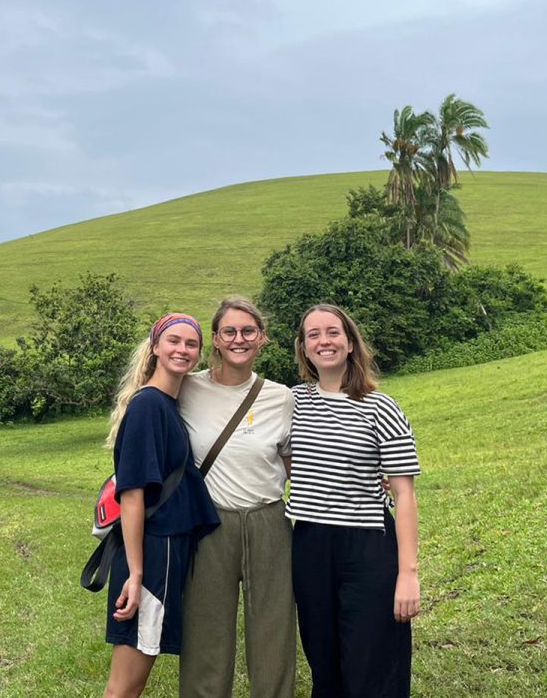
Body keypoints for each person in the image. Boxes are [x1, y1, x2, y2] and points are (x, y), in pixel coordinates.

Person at [287, 304, 421, 698]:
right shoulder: (291, 402)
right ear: (303, 348)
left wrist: (407, 573)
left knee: (372, 663)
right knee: (323, 661)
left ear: (349, 343)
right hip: (309, 543)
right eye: (313, 334)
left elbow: (404, 494)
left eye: (332, 332)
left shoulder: (381, 406)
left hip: (367, 544)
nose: (323, 341)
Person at [178, 297, 297, 698]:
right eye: (229, 331)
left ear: (262, 338)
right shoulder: (188, 387)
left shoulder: (281, 397)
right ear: (215, 338)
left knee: (274, 628)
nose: (239, 339)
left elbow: (295, 462)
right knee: (205, 630)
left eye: (248, 331)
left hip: (269, 520)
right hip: (211, 522)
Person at [102, 312, 221, 698]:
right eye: (174, 341)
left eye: (191, 344)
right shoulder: (149, 407)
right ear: (155, 347)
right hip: (152, 557)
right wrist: (136, 576)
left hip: (165, 554)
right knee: (125, 686)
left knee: (136, 680)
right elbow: (133, 496)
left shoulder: (168, 404)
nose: (182, 350)